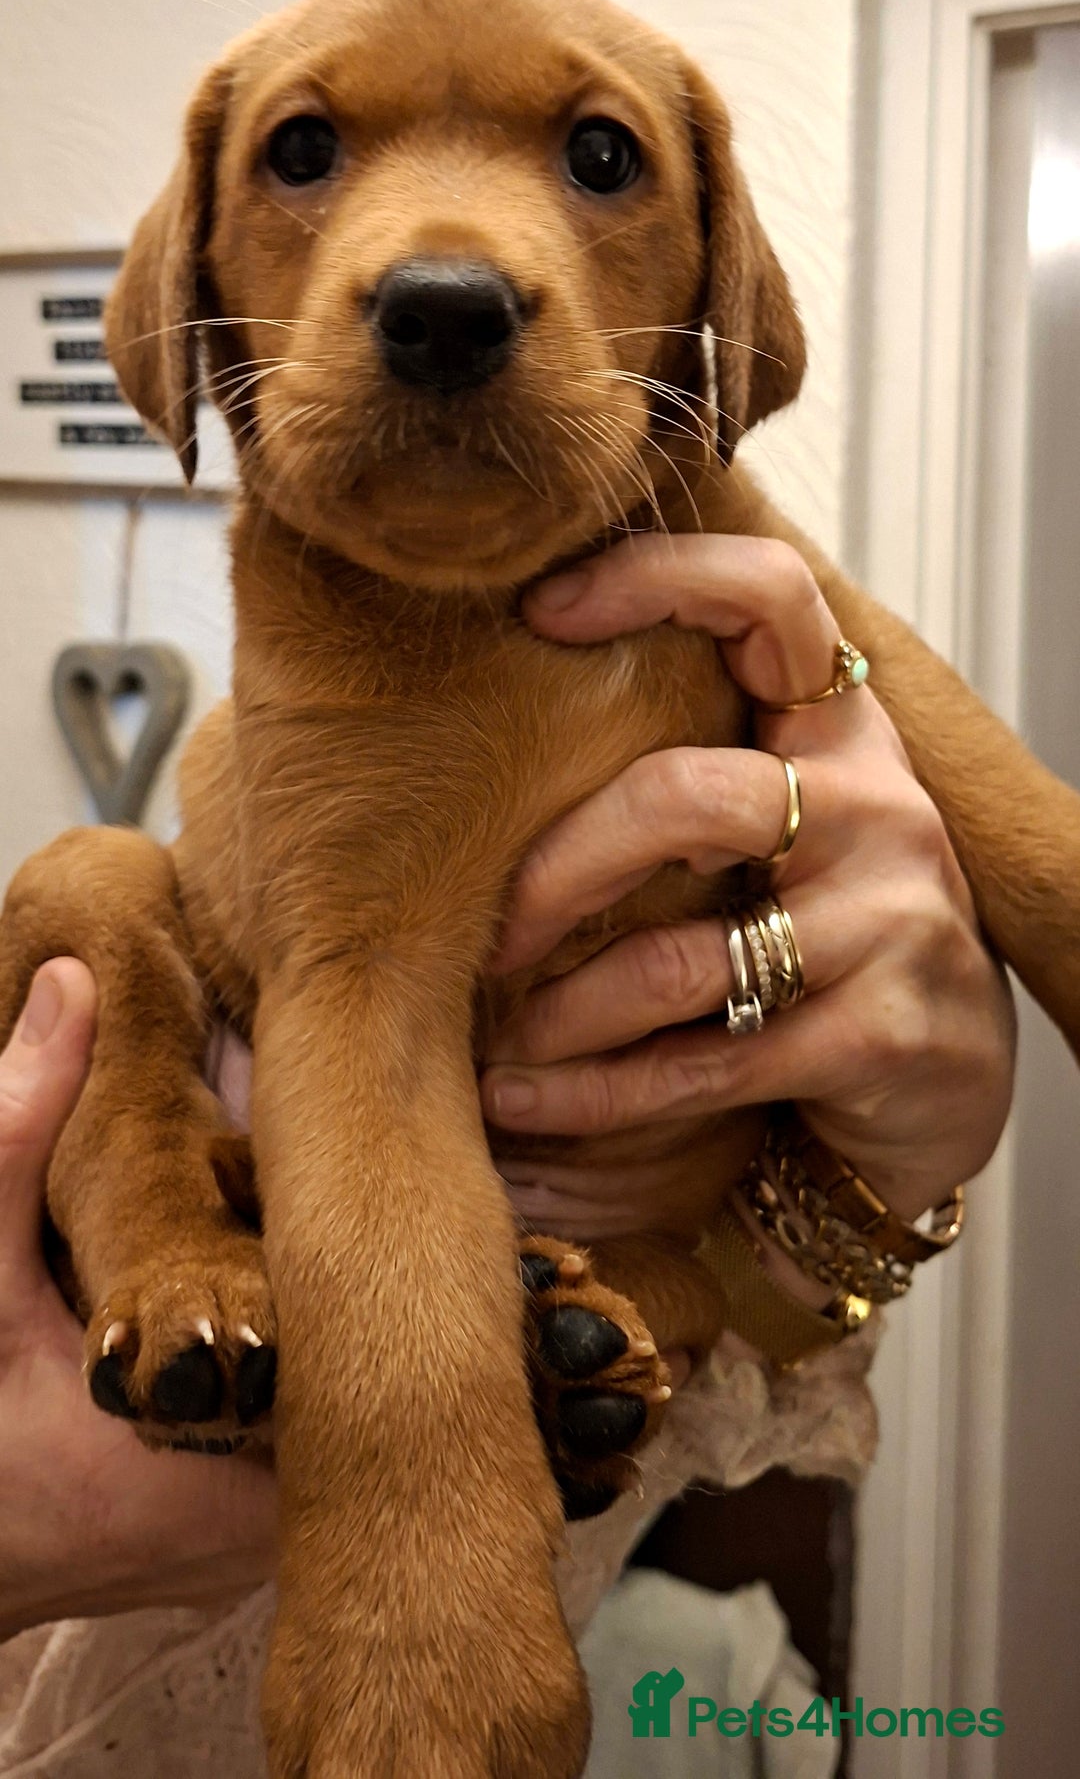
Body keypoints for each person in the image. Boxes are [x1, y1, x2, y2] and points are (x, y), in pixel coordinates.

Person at [0, 534, 1014, 1660]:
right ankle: (170, 1250)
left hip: (526, 1224)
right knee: (85, 886)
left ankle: (539, 1321)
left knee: (614, 1307)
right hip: (303, 1155)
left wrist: (856, 1187)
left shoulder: (714, 566)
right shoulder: (320, 607)